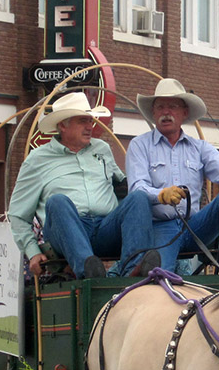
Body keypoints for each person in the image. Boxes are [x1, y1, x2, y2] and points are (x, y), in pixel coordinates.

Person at [8, 92, 159, 279]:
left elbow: (122, 184)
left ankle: (134, 273)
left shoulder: (102, 149)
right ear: (62, 125)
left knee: (139, 196)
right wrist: (32, 251)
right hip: (66, 233)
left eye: (91, 121)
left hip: (105, 227)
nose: (90, 127)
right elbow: (17, 215)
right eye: (83, 121)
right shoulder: (37, 160)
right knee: (57, 202)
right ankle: (89, 272)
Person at [126, 78, 219, 275]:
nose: (166, 112)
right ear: (153, 113)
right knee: (159, 277)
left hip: (194, 226)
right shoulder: (139, 145)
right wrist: (160, 195)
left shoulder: (199, 148)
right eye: (161, 107)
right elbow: (136, 188)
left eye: (172, 107)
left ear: (184, 113)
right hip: (161, 226)